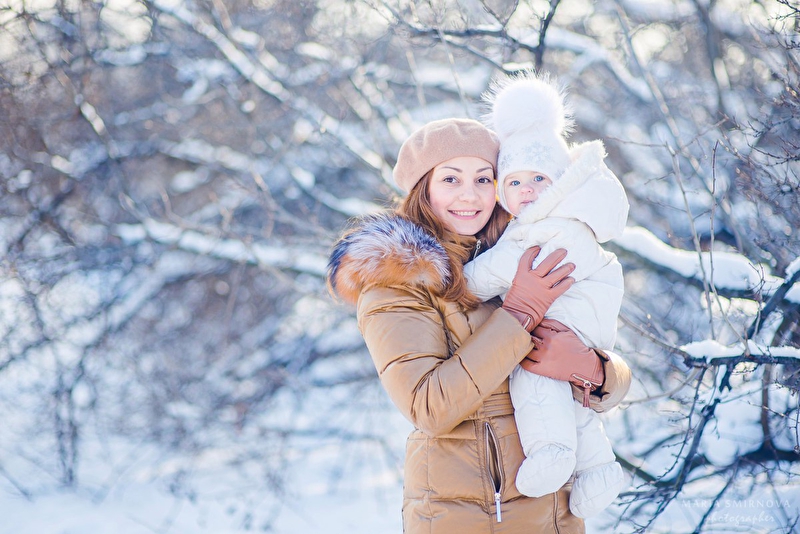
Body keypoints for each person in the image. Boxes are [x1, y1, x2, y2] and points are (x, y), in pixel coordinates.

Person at [327, 117, 631, 533]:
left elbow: (601, 364)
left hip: (557, 513)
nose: (469, 195)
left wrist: (596, 370)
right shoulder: (395, 280)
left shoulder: (522, 248)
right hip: (473, 515)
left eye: (484, 179)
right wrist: (519, 313)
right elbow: (429, 407)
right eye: (451, 179)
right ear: (423, 189)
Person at [463, 72, 629, 518]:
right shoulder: (547, 220)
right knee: (567, 392)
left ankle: (553, 450)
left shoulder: (550, 226)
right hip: (578, 317)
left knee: (534, 371)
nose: (528, 191)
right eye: (514, 183)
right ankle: (598, 468)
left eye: (539, 178)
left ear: (559, 181)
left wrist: (461, 280)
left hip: (573, 318)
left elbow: (497, 271)